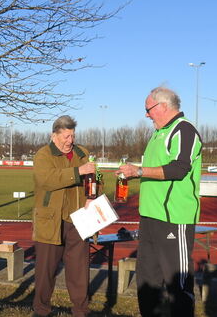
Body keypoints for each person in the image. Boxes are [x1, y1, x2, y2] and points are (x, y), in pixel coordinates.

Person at [116, 86, 203, 317]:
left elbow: (179, 169)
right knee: (147, 282)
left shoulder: (184, 130)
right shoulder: (157, 133)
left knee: (178, 285)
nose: (146, 114)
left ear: (162, 106)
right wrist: (134, 172)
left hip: (174, 218)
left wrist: (140, 170)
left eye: (148, 109)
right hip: (150, 218)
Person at [31, 115, 97, 317]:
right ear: (54, 136)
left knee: (79, 271)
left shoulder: (82, 153)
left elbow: (96, 177)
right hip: (51, 220)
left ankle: (80, 311)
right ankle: (41, 311)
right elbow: (48, 180)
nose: (70, 141)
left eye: (73, 136)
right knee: (45, 271)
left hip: (79, 220)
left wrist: (92, 196)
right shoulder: (43, 155)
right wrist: (78, 171)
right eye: (66, 137)